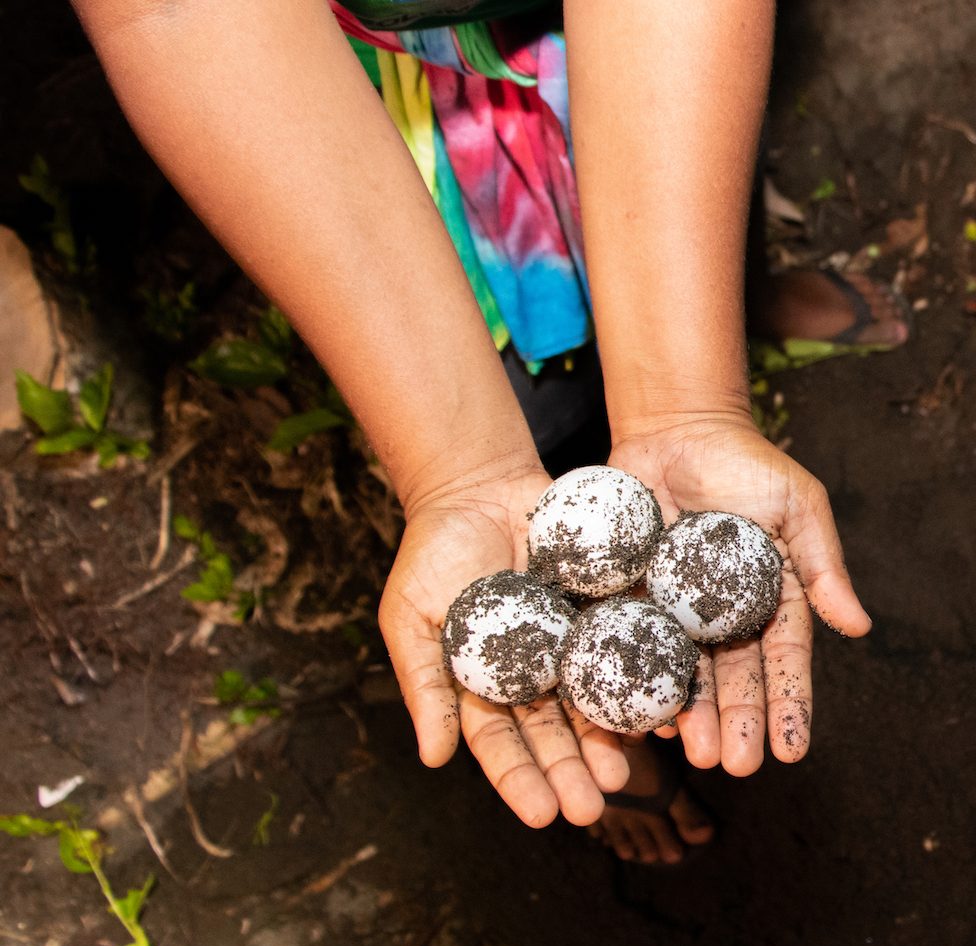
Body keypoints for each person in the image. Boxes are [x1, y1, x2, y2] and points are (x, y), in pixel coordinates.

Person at [72, 0, 892, 862]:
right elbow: (172, 16)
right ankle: (626, 739)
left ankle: (745, 304)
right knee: (540, 412)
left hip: (660, 65)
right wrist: (456, 468)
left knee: (722, 220)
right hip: (354, 143)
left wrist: (691, 400)